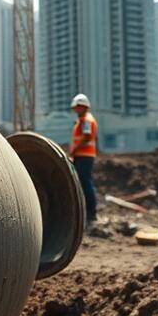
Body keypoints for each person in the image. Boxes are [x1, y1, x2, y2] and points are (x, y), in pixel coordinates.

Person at [67, 93, 98, 225]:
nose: (77, 109)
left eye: (79, 106)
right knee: (83, 183)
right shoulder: (81, 121)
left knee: (85, 183)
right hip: (81, 156)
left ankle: (91, 213)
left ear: (85, 107)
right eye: (76, 107)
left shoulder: (86, 120)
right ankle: (87, 212)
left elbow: (87, 136)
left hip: (85, 156)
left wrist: (74, 150)